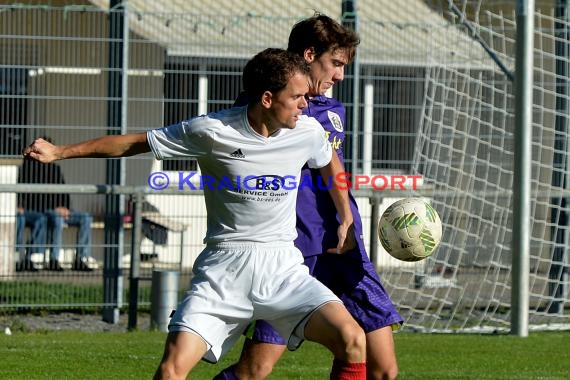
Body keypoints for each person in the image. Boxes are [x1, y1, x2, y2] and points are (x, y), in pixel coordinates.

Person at [23, 48, 368, 379]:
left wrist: (345, 214)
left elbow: (328, 160)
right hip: (223, 271)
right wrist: (60, 152)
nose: (305, 105)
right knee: (171, 370)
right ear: (267, 99)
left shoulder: (306, 131)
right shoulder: (211, 130)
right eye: (297, 97)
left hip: (282, 268)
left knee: (352, 340)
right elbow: (133, 143)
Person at [216, 14, 402, 380]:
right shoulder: (267, 106)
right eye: (335, 64)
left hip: (346, 246)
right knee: (256, 369)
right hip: (295, 252)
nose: (340, 76)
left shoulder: (333, 111)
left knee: (383, 369)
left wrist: (347, 215)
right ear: (307, 54)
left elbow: (335, 170)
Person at [16, 143, 94, 272]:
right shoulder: (27, 169)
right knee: (57, 219)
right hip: (42, 210)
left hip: (59, 209)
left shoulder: (55, 168)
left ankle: (81, 258)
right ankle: (53, 260)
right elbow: (27, 195)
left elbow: (63, 191)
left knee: (85, 217)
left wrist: (65, 207)